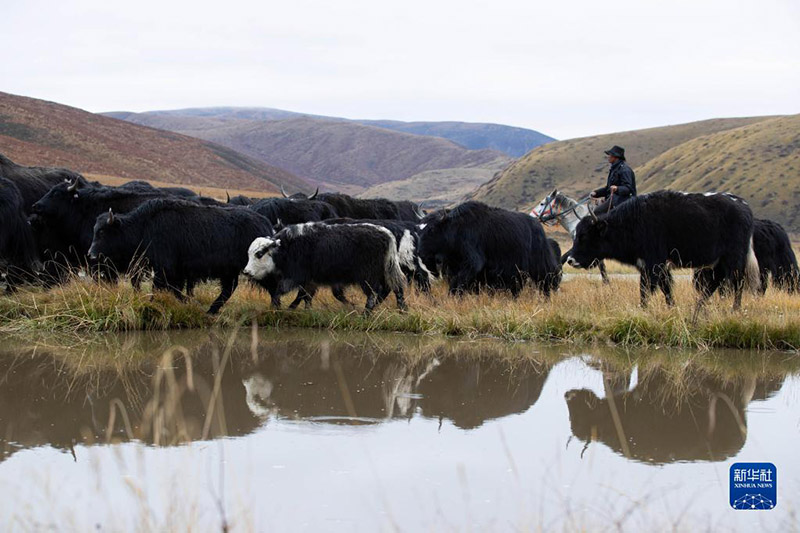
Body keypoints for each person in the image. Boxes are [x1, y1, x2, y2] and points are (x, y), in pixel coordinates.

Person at [590, 145, 636, 215]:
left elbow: (628, 188)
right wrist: (596, 193)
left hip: (621, 201)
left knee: (597, 212)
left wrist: (617, 188)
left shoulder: (625, 170)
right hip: (613, 200)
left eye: (610, 155)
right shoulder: (614, 169)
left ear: (616, 157)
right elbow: (608, 189)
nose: (608, 156)